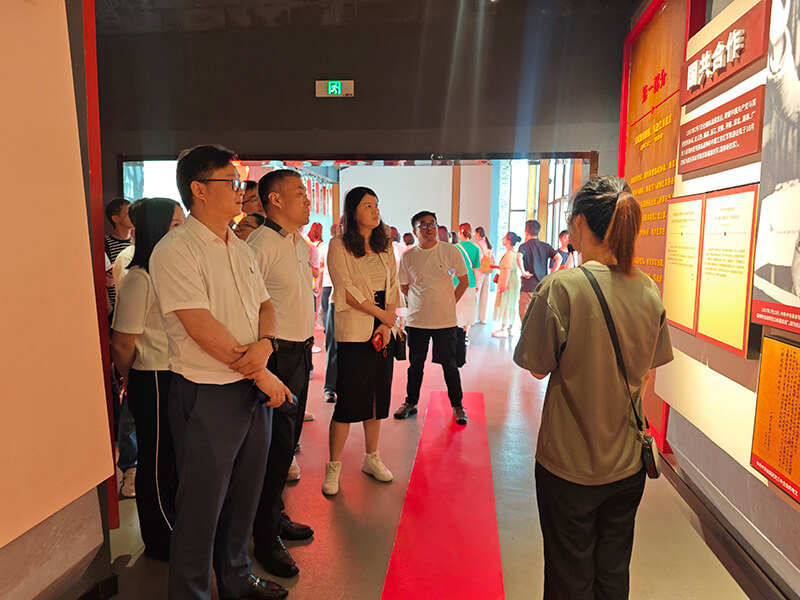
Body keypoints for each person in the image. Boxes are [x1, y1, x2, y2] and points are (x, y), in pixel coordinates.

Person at [513, 176, 673, 599]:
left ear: (581, 223)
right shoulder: (648, 289)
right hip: (628, 463)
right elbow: (648, 369)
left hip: (569, 464)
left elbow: (536, 368)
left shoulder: (562, 288)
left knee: (568, 575)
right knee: (613, 574)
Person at [150, 144, 291, 600]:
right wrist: (261, 372)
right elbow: (200, 327)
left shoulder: (240, 247)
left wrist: (266, 345)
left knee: (244, 497)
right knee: (201, 506)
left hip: (250, 387)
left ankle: (236, 579)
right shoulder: (176, 250)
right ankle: (191, 592)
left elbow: (266, 306)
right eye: (229, 182)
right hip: (208, 392)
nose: (239, 190)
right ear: (198, 189)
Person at [247, 169, 316, 580]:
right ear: (275, 199)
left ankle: (274, 517)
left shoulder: (296, 242)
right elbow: (247, 306)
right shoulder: (260, 245)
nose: (307, 199)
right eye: (300, 192)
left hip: (300, 353)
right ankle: (264, 535)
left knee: (286, 444)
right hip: (276, 357)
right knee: (271, 450)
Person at [111, 197, 184, 562]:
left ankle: (173, 527)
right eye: (176, 225)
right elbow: (123, 343)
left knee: (171, 457)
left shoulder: (169, 272)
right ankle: (159, 539)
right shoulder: (138, 280)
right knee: (155, 460)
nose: (183, 232)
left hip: (175, 375)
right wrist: (131, 378)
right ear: (157, 229)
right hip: (151, 377)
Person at [323, 187, 399, 495]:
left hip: (382, 328)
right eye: (367, 205)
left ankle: (371, 457)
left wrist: (385, 323)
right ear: (353, 212)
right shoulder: (338, 245)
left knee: (377, 398)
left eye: (376, 205)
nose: (375, 210)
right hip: (355, 329)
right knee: (349, 399)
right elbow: (346, 289)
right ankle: (333, 465)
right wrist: (382, 316)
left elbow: (393, 285)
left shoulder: (385, 246)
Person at [394, 211, 469, 426]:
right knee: (415, 365)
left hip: (445, 321)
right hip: (417, 320)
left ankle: (457, 406)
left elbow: (463, 280)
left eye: (432, 224)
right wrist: (421, 301)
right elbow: (404, 286)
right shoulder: (408, 256)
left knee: (450, 365)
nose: (429, 228)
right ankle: (410, 402)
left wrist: (449, 301)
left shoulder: (450, 251)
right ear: (415, 231)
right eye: (424, 225)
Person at [516, 219, 557, 321]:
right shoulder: (545, 246)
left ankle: (527, 332)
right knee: (539, 315)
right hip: (542, 287)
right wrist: (552, 273)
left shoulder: (524, 246)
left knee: (525, 314)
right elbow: (559, 257)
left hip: (528, 286)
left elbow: (518, 257)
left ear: (526, 232)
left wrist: (523, 271)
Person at [321, 221, 341, 403]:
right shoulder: (335, 245)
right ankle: (330, 388)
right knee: (333, 346)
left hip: (361, 307)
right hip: (338, 300)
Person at [454, 223, 481, 340]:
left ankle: (456, 335)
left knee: (457, 309)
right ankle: (465, 336)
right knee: (469, 309)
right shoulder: (475, 248)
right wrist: (477, 284)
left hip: (457, 281)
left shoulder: (455, 248)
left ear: (460, 232)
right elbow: (476, 269)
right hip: (471, 282)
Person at [492, 232, 521, 338]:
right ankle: (508, 328)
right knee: (509, 304)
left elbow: (508, 270)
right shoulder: (511, 253)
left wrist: (503, 285)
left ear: (508, 241)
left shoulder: (509, 254)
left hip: (508, 282)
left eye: (504, 238)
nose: (502, 239)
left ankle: (503, 329)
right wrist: (496, 267)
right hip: (511, 281)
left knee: (506, 303)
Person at [473, 226, 494, 324]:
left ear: (478, 234)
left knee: (476, 294)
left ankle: (474, 317)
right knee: (485, 295)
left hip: (479, 272)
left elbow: (475, 260)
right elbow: (493, 259)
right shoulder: (489, 245)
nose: (474, 235)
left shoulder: (476, 245)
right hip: (487, 272)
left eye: (475, 233)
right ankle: (483, 318)